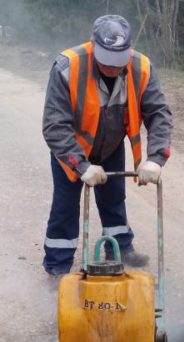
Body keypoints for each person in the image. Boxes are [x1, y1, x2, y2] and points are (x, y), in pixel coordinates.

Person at [41, 14, 172, 275]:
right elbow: (54, 125)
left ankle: (120, 248)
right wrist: (81, 166)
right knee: (65, 206)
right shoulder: (67, 67)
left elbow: (159, 114)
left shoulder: (141, 68)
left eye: (118, 62)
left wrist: (156, 158)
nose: (113, 68)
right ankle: (58, 265)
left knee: (114, 200)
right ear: (93, 45)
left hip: (110, 147)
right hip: (72, 152)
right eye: (107, 61)